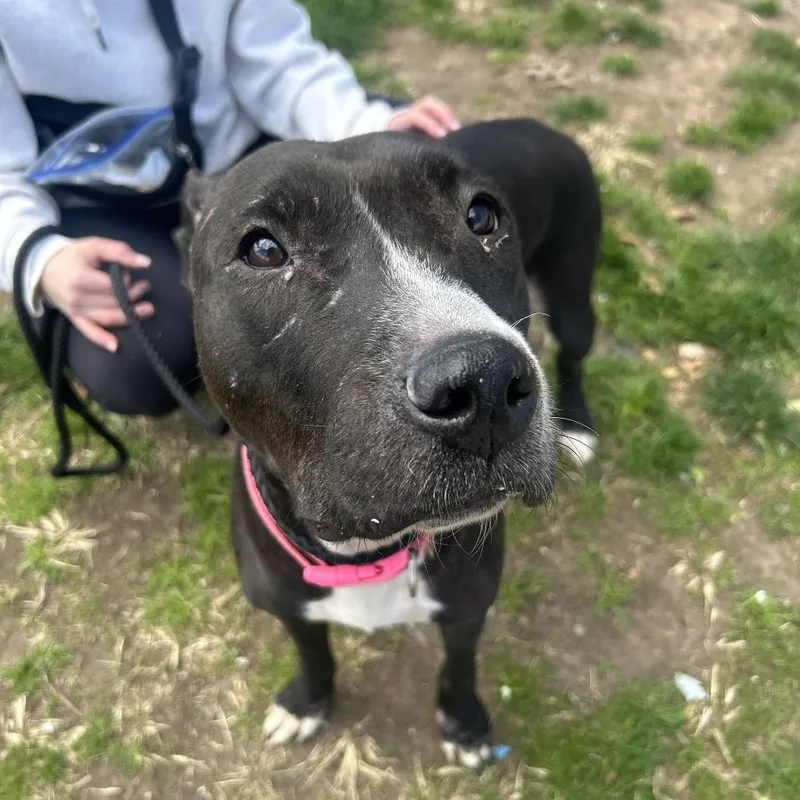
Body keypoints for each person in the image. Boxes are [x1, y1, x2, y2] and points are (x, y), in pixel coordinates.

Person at [0, 0, 459, 427]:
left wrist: (364, 123)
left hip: (236, 151)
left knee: (423, 174)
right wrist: (39, 256)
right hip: (98, 196)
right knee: (139, 366)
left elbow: (281, 62)